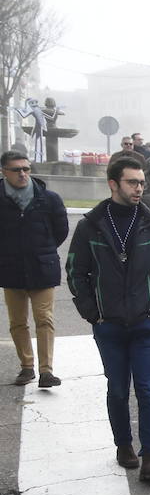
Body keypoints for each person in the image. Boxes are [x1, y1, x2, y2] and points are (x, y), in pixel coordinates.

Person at [67, 156, 150, 482]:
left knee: (147, 390)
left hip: (145, 323)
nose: (139, 188)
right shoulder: (91, 225)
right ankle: (123, 445)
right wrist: (93, 312)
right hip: (109, 324)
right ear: (113, 184)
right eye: (132, 182)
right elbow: (76, 271)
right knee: (117, 389)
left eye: (141, 182)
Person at [1, 150, 68, 387]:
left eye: (26, 169)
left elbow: (60, 231)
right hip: (10, 269)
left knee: (44, 319)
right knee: (17, 322)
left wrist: (42, 250)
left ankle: (46, 370)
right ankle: (26, 366)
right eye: (16, 170)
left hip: (43, 267)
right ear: (4, 172)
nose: (22, 174)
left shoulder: (48, 198)